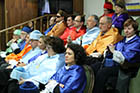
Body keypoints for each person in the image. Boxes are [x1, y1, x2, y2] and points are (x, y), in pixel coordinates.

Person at [92, 18, 140, 93]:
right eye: (125, 28)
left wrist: (114, 51)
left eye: (129, 29)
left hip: (127, 67)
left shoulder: (137, 42)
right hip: (116, 64)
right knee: (96, 66)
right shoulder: (123, 40)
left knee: (103, 72)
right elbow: (114, 49)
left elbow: (126, 58)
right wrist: (110, 49)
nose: (126, 31)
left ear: (135, 30)